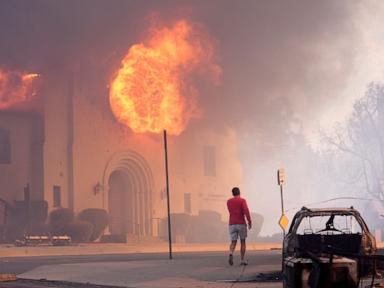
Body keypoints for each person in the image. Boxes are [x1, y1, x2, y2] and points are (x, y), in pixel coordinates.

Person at [227, 187, 252, 266]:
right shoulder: (242, 201)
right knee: (242, 241)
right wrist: (249, 221)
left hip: (232, 223)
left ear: (232, 193)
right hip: (241, 223)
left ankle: (231, 253)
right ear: (239, 192)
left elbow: (231, 211)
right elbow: (246, 211)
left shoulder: (228, 202)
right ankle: (242, 260)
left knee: (233, 242)